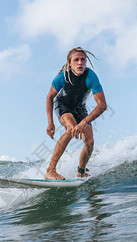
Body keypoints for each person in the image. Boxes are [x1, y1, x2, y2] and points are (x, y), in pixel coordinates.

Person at [45, 47, 107, 180]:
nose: (80, 63)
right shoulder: (61, 77)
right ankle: (50, 170)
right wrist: (50, 122)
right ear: (69, 63)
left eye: (83, 60)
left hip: (79, 108)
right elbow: (50, 97)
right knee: (71, 129)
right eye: (76, 60)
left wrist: (84, 122)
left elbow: (102, 105)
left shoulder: (91, 77)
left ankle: (81, 171)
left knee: (89, 141)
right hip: (63, 104)